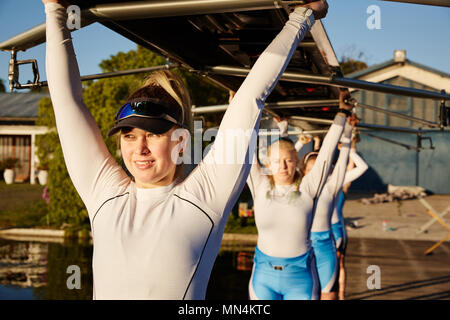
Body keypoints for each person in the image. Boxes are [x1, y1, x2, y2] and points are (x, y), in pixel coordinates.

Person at [42, 0, 329, 299]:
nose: (139, 148)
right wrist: (54, 11)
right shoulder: (103, 192)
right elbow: (66, 101)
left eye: (152, 134)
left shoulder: (205, 196)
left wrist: (302, 17)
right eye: (128, 136)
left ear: (180, 142)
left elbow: (250, 96)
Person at [246, 88, 354, 300]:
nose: (283, 166)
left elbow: (326, 154)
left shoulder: (307, 189)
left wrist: (342, 115)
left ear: (296, 163)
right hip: (263, 278)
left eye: (288, 161)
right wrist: (244, 105)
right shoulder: (259, 186)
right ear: (268, 164)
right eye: (277, 161)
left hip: (300, 279)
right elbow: (245, 142)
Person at [305, 117, 357, 300]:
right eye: (311, 170)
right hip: (304, 251)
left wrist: (348, 134)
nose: (316, 173)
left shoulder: (330, 188)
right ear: (303, 172)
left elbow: (341, 162)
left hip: (326, 248)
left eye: (319, 169)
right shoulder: (299, 190)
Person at [331, 132, 368, 300]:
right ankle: (340, 295)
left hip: (336, 231)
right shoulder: (338, 185)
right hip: (334, 230)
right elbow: (350, 167)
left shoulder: (337, 184)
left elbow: (351, 168)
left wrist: (351, 147)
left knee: (337, 264)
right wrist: (350, 147)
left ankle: (341, 295)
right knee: (338, 264)